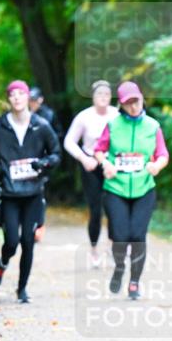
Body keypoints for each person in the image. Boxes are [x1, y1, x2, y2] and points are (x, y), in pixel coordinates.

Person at [0, 80, 61, 303]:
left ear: (27, 98)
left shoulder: (41, 125)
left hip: (33, 192)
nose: (16, 98)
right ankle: (3, 263)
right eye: (12, 95)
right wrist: (0, 170)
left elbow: (56, 153)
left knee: (28, 240)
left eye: (20, 94)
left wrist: (42, 164)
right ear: (8, 100)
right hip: (9, 193)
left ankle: (22, 289)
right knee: (12, 241)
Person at [94, 81, 169, 300]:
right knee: (120, 236)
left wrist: (157, 165)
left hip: (144, 188)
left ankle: (134, 282)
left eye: (136, 101)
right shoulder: (113, 125)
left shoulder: (152, 126)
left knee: (137, 236)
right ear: (122, 105)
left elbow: (163, 154)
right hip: (116, 188)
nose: (134, 107)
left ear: (142, 99)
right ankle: (119, 267)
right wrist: (105, 164)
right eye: (128, 104)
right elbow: (99, 150)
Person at [64, 80, 119, 268]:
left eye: (106, 94)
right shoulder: (84, 117)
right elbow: (69, 141)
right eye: (99, 94)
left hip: (111, 165)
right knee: (96, 210)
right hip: (90, 165)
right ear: (93, 97)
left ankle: (113, 246)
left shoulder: (116, 115)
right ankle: (94, 249)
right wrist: (83, 158)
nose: (103, 98)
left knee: (114, 208)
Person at [29, 86, 64, 242]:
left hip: (45, 160)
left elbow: (59, 133)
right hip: (27, 160)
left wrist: (48, 144)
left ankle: (38, 225)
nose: (33, 104)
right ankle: (29, 223)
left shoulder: (48, 115)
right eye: (30, 100)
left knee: (40, 191)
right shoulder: (23, 116)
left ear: (41, 100)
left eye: (35, 100)